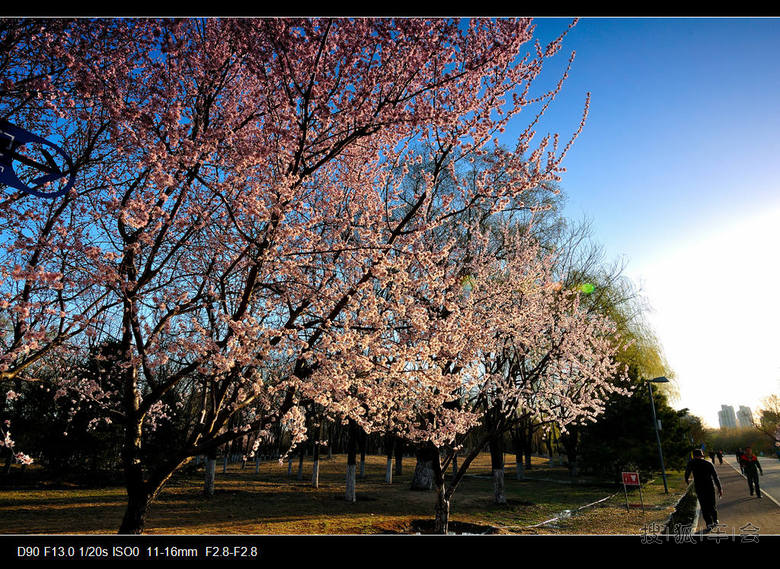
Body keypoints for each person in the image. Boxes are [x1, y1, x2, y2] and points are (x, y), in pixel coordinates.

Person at [685, 449, 723, 531]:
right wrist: (719, 488)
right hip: (709, 486)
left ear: (694, 456)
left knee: (704, 506)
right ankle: (715, 520)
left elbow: (686, 475)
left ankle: (709, 523)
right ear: (702, 455)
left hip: (699, 487)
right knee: (712, 504)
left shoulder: (691, 463)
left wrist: (688, 482)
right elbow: (715, 477)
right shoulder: (708, 463)